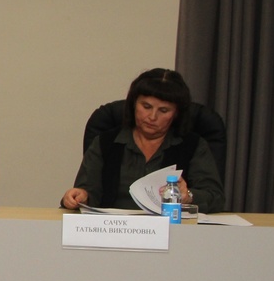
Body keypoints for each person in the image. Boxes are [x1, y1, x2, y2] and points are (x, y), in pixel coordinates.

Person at [62, 68, 225, 213]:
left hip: (172, 231)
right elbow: (88, 192)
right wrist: (80, 196)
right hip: (113, 229)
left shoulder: (193, 146)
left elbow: (216, 198)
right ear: (133, 104)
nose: (152, 117)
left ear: (176, 114)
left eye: (163, 110)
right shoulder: (106, 143)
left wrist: (188, 196)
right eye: (146, 107)